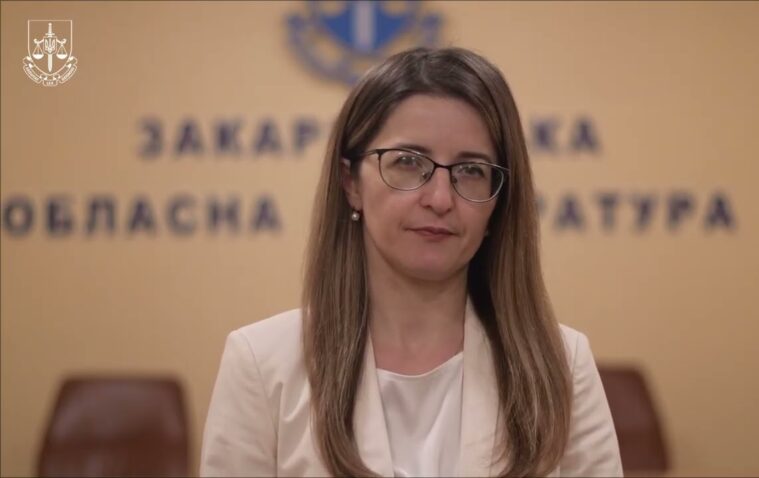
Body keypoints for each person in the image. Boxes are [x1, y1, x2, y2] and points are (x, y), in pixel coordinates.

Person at [200, 47, 622, 477]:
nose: (440, 199)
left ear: (498, 201)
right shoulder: (261, 363)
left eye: (471, 170)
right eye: (408, 162)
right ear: (350, 183)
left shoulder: (562, 364)